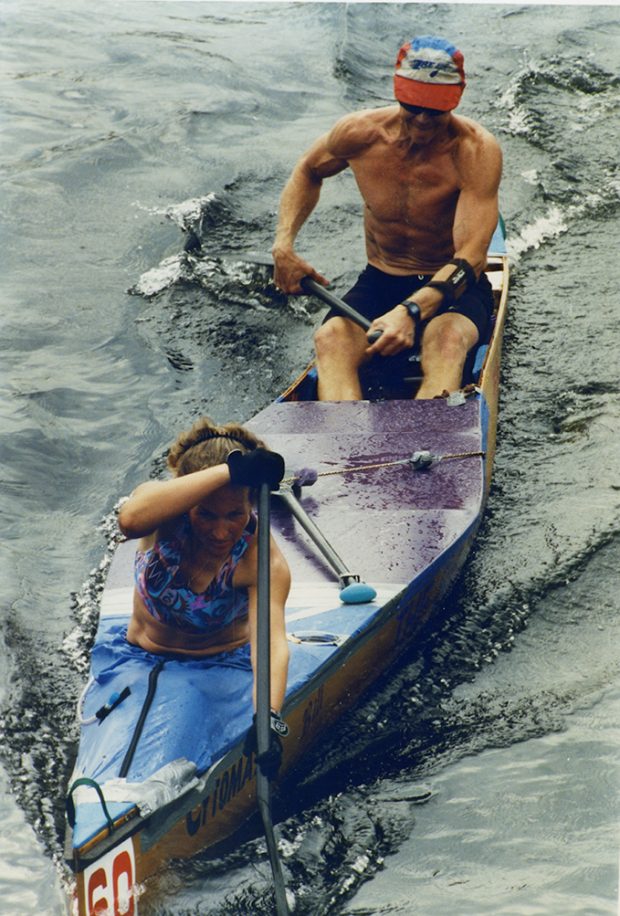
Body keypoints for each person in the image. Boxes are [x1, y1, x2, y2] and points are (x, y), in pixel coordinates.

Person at [272, 35, 502, 400]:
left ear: (455, 101)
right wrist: (284, 245)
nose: (424, 120)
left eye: (436, 110)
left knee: (445, 342)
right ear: (398, 93)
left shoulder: (475, 150)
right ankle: (343, 449)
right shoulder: (360, 134)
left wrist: (411, 311)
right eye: (414, 107)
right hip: (382, 278)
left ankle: (435, 447)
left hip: (452, 287)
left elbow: (471, 258)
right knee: (329, 339)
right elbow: (307, 169)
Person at [117, 416, 291, 773]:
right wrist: (232, 471)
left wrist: (268, 717)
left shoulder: (260, 559)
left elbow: (270, 645)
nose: (220, 530)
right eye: (206, 515)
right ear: (187, 500)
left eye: (234, 514)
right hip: (136, 656)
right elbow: (129, 521)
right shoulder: (161, 515)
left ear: (250, 507)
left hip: (221, 666)